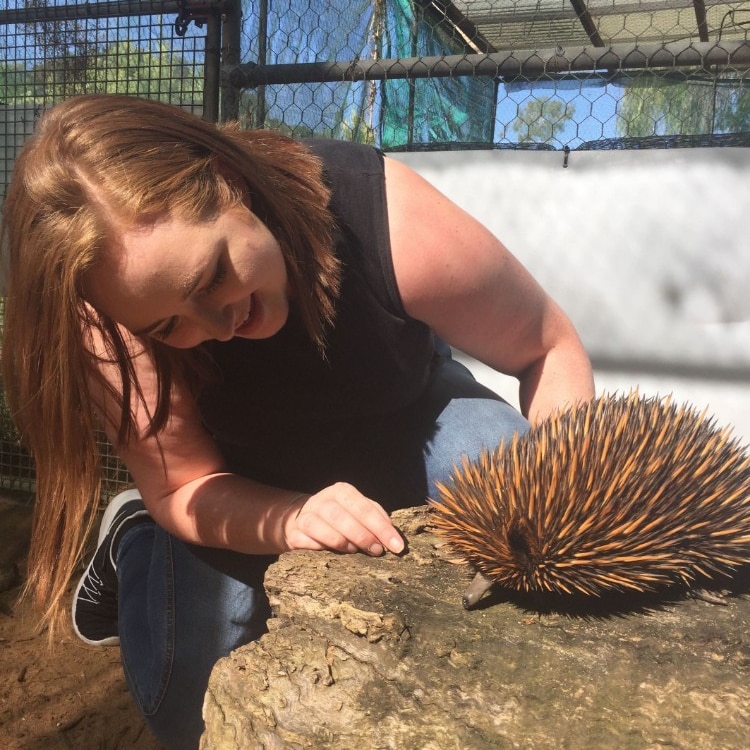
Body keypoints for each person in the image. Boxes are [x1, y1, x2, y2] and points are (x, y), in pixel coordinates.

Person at [1, 94, 595, 748]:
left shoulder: (380, 214)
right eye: (170, 325)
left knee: (501, 468)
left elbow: (547, 346)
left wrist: (558, 506)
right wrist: (290, 516)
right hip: (236, 468)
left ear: (228, 180)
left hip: (406, 409)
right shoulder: (108, 313)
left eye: (213, 274)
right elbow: (181, 484)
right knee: (190, 705)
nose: (220, 326)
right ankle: (134, 541)